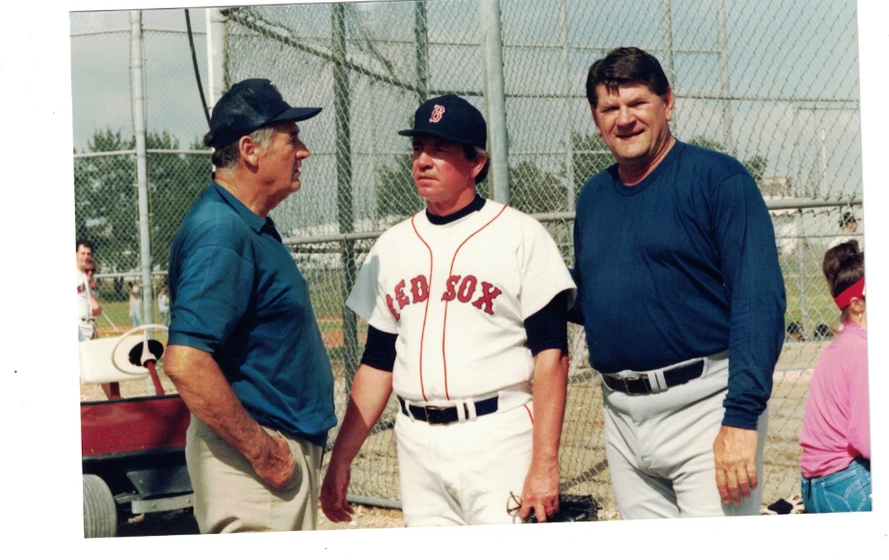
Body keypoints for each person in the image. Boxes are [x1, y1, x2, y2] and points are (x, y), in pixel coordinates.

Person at [320, 95, 576, 526]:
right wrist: (342, 458)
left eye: (440, 150)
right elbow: (377, 363)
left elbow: (552, 357)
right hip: (416, 442)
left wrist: (545, 463)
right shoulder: (393, 245)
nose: (423, 160)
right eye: (418, 148)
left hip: (498, 435)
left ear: (476, 163)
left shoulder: (520, 235)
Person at [569, 47, 786, 518]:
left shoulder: (718, 179)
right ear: (595, 116)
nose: (624, 119)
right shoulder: (593, 198)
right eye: (610, 108)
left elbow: (758, 300)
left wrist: (742, 416)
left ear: (668, 102)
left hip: (705, 406)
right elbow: (595, 297)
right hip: (622, 416)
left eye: (637, 103)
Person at [162, 78, 337, 533]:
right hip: (254, 468)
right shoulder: (222, 228)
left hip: (263, 460)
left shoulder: (243, 221)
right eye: (291, 138)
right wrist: (266, 454)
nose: (303, 151)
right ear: (250, 149)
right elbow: (185, 361)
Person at [798, 241, 870, 513]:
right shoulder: (863, 349)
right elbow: (864, 437)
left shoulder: (839, 345)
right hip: (845, 481)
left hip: (816, 484)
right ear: (857, 305)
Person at [76, 239, 101, 342]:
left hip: (87, 326)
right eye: (83, 253)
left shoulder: (82, 275)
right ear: (76, 254)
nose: (86, 257)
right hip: (78, 327)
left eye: (88, 254)